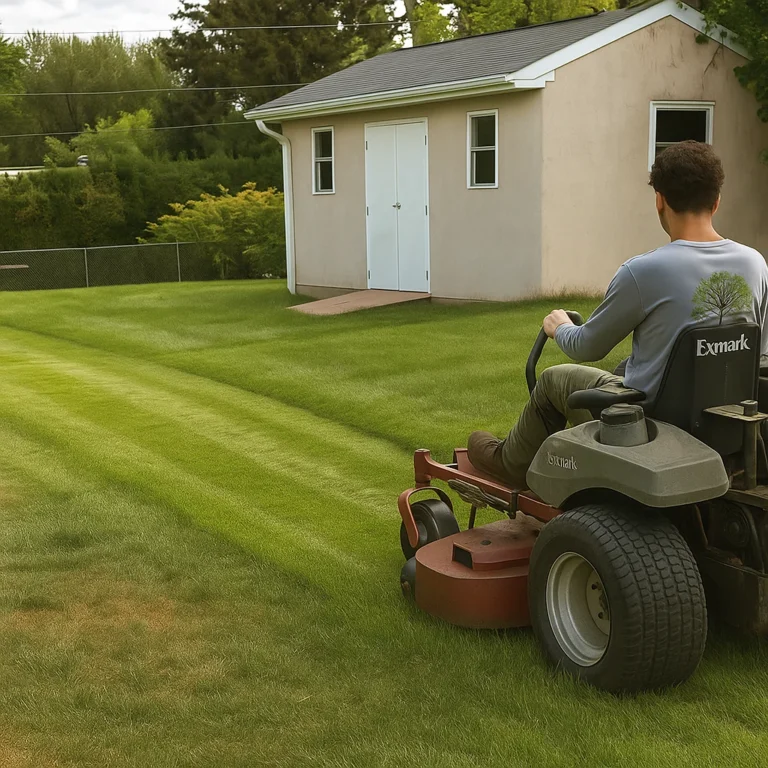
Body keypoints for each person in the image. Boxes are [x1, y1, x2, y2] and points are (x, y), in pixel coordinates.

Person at [468, 140, 768, 489]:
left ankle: (509, 462)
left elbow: (587, 347)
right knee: (626, 366)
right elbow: (759, 352)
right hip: (723, 418)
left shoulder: (644, 271)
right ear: (716, 201)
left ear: (659, 199)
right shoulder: (754, 264)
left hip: (647, 421)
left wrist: (560, 327)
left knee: (553, 378)